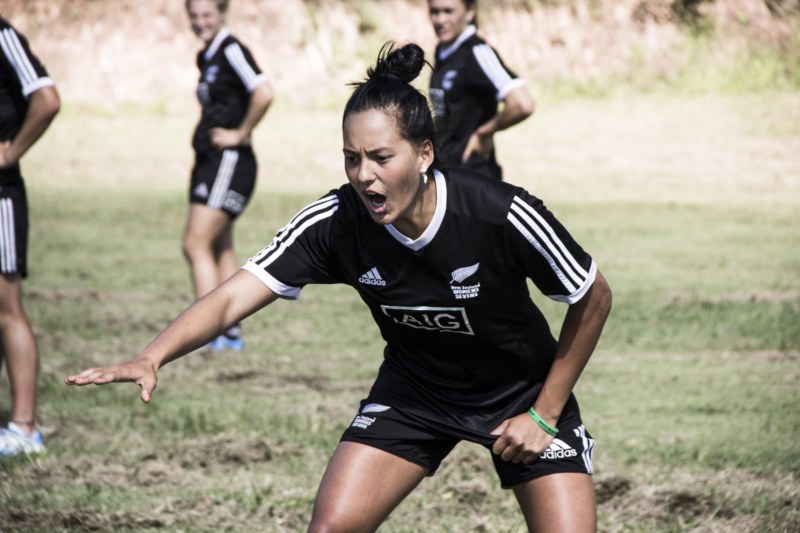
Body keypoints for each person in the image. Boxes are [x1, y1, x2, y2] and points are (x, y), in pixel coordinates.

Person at [66, 42, 611, 531]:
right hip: (415, 393)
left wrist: (544, 413)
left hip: (521, 391)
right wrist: (153, 354)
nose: (364, 175)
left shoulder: (499, 213)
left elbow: (593, 295)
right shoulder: (336, 221)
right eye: (352, 159)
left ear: (424, 154)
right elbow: (237, 292)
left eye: (381, 157)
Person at [182, 0, 274, 352]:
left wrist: (241, 132)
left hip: (229, 162)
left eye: (207, 15)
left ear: (222, 13)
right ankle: (229, 330)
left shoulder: (232, 49)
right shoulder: (206, 55)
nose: (200, 22)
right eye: (194, 16)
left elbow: (264, 91)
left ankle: (206, 332)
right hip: (209, 161)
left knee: (195, 243)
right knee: (219, 246)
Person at [0, 16, 61, 457]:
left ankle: (24, 428)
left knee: (6, 309)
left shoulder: (2, 36)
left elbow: (47, 98)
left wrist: (10, 151)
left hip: (0, 196)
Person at [428, 0, 536, 181]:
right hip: (446, 173)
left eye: (448, 11)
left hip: (474, 177)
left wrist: (483, 133)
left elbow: (522, 103)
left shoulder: (477, 51)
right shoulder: (443, 50)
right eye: (434, 12)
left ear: (470, 11)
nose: (440, 20)